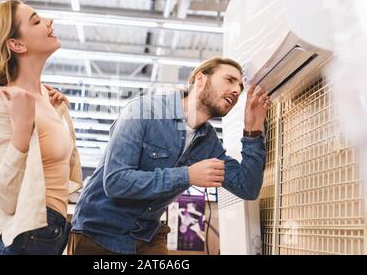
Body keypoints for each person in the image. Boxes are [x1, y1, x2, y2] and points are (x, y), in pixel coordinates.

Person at [69, 57, 270, 255]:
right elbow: (115, 181)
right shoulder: (143, 111)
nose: (237, 90)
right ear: (200, 79)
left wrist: (252, 131)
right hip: (99, 234)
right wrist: (187, 175)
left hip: (147, 236)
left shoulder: (207, 141)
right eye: (229, 80)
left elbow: (247, 187)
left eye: (240, 88)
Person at [0, 0, 82, 255]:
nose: (49, 22)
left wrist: (57, 113)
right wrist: (22, 131)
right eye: (36, 21)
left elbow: (67, 175)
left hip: (50, 235)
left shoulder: (48, 101)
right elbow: (4, 196)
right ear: (16, 44)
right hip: (20, 241)